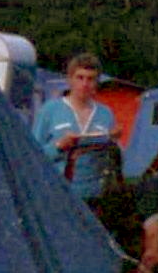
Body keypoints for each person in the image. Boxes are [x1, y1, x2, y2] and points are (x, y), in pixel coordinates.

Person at [32, 53, 121, 200]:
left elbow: (115, 159)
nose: (85, 84)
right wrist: (59, 146)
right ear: (70, 79)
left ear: (97, 82)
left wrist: (114, 140)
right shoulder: (50, 110)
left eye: (90, 79)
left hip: (95, 195)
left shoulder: (105, 113)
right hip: (57, 193)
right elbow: (32, 154)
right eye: (80, 78)